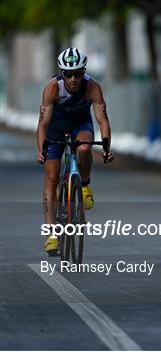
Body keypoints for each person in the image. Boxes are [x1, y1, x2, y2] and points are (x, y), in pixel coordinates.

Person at [37, 47, 114, 256]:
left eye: (78, 73)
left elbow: (103, 121)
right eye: (68, 74)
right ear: (62, 72)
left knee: (84, 148)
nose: (73, 79)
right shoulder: (53, 88)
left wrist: (107, 147)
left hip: (81, 124)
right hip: (56, 127)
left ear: (84, 71)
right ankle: (51, 234)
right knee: (52, 177)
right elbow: (43, 125)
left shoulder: (92, 87)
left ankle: (85, 184)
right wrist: (41, 150)